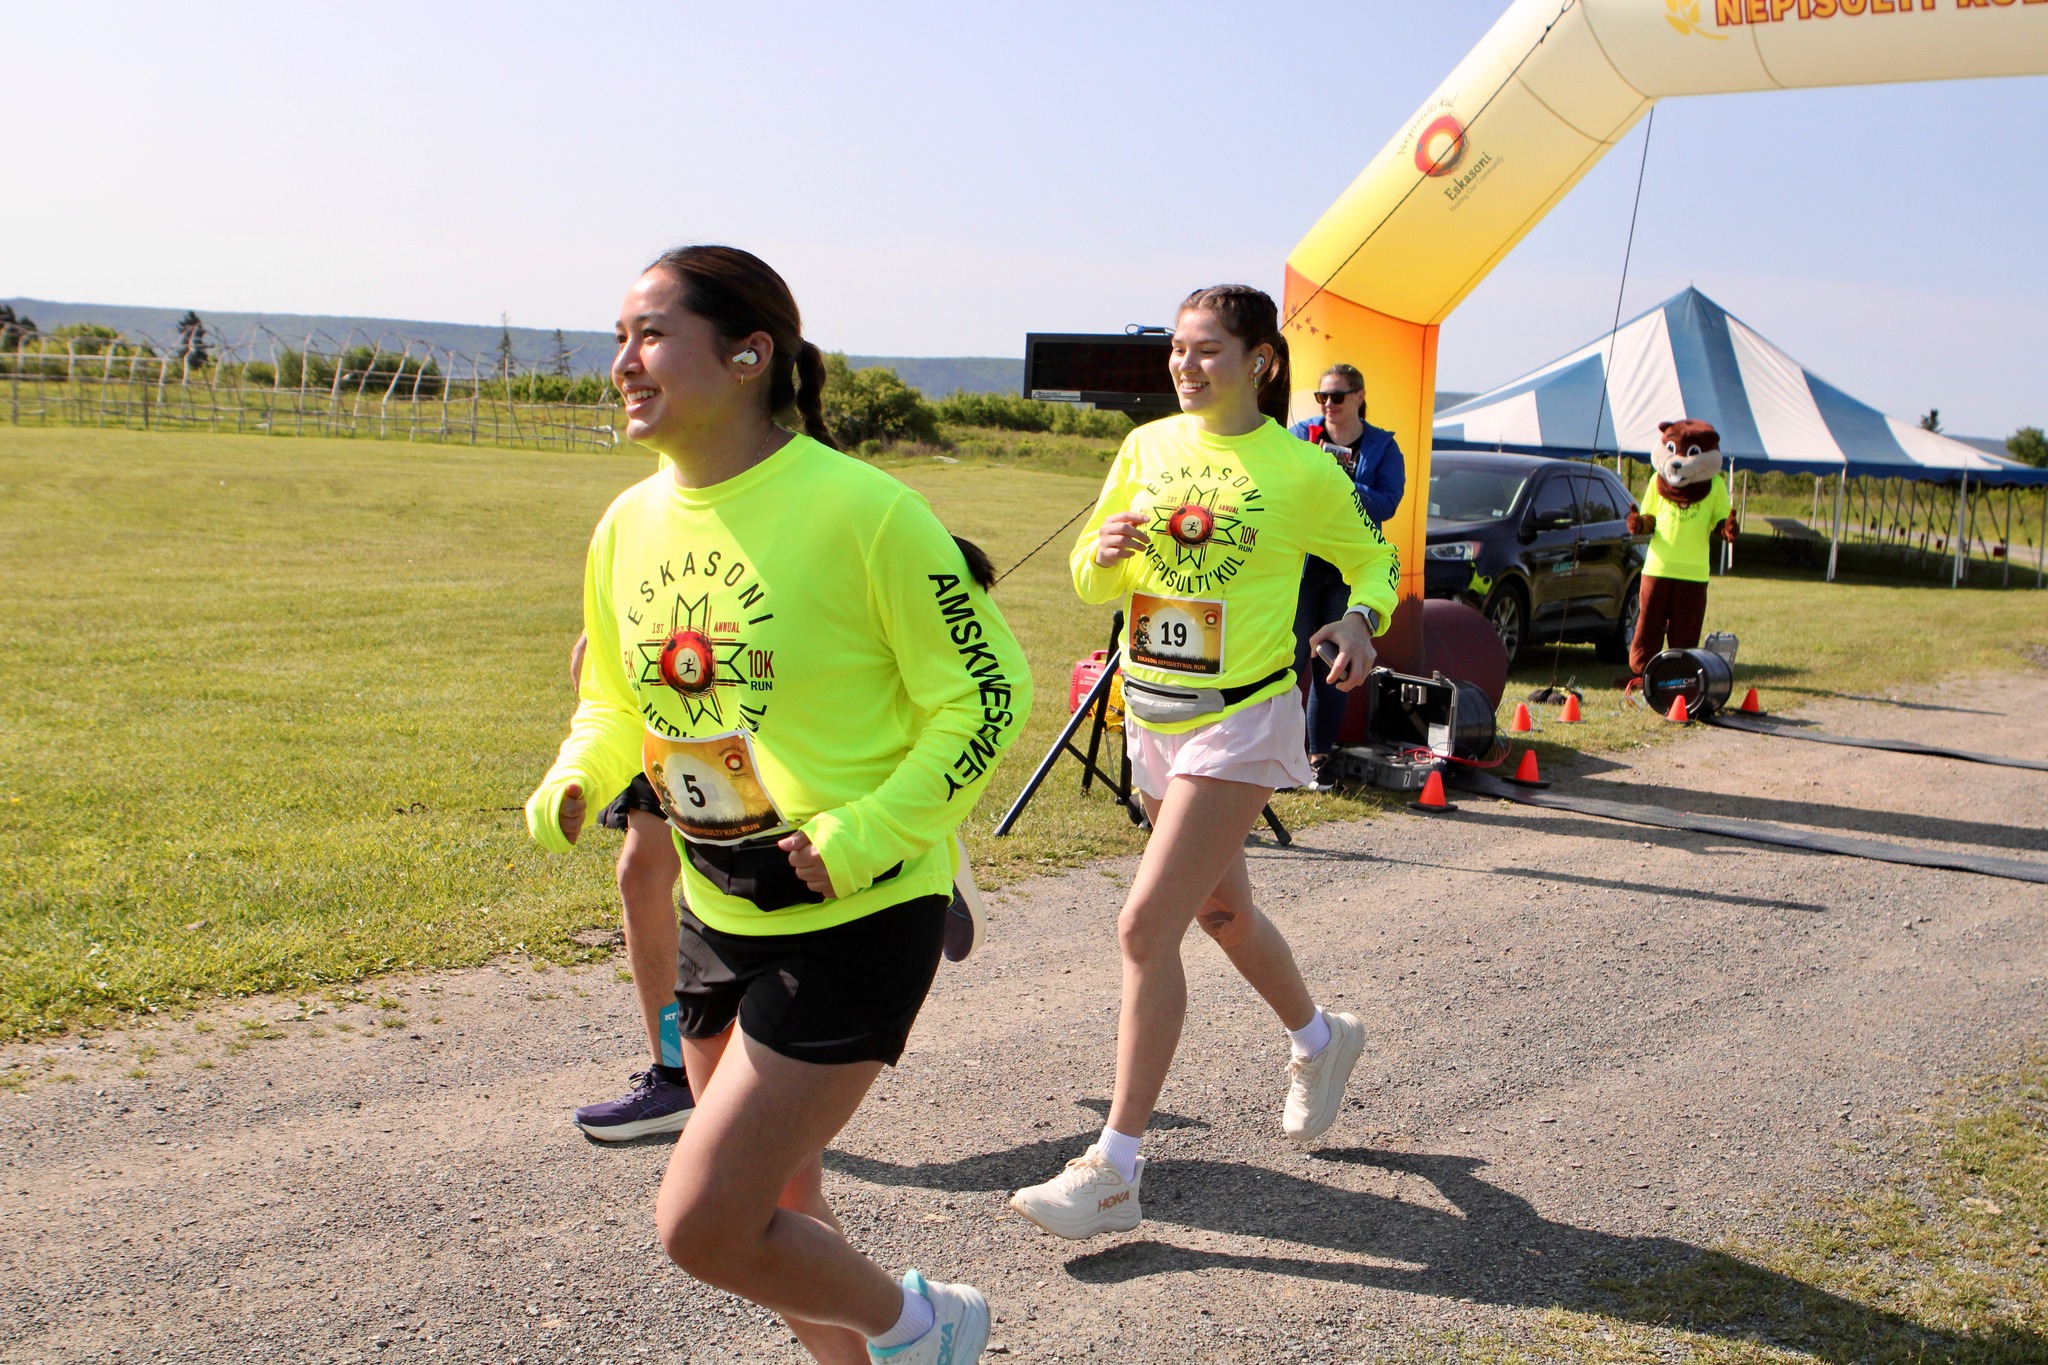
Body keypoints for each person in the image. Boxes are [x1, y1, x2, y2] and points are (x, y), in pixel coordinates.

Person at [525, 245, 1030, 1365]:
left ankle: (928, 1324)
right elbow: (616, 694)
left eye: (650, 335)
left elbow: (990, 694)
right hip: (723, 907)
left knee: (703, 1224)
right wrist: (578, 775)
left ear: (749, 355)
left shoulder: (865, 511)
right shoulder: (625, 526)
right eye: (621, 337)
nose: (622, 362)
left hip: (856, 914)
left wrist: (870, 832)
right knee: (778, 1209)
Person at [1008, 285, 1398, 1241]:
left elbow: (1374, 559)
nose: (1184, 367)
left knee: (1146, 925)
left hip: (1244, 718)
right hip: (1152, 711)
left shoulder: (1298, 469)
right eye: (1178, 351)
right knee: (1222, 910)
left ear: (1261, 359)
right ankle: (1320, 1037)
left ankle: (1116, 1167)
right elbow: (1093, 577)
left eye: (1207, 351)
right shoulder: (1145, 449)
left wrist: (1358, 618)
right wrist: (1102, 552)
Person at [564, 629, 698, 1142]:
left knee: (763, 858)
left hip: (745, 662)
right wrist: (598, 633)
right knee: (641, 873)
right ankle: (675, 1074)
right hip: (665, 675)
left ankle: (908, 849)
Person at [1287, 364, 1405, 790]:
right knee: (1289, 659)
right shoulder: (1301, 435)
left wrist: (1339, 483)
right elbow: (1286, 488)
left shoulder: (1383, 447)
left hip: (1347, 571)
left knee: (1332, 666)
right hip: (1299, 566)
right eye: (1322, 397)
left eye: (1337, 396)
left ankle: (1321, 757)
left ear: (1359, 396)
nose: (1329, 405)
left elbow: (1388, 503)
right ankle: (1282, 757)